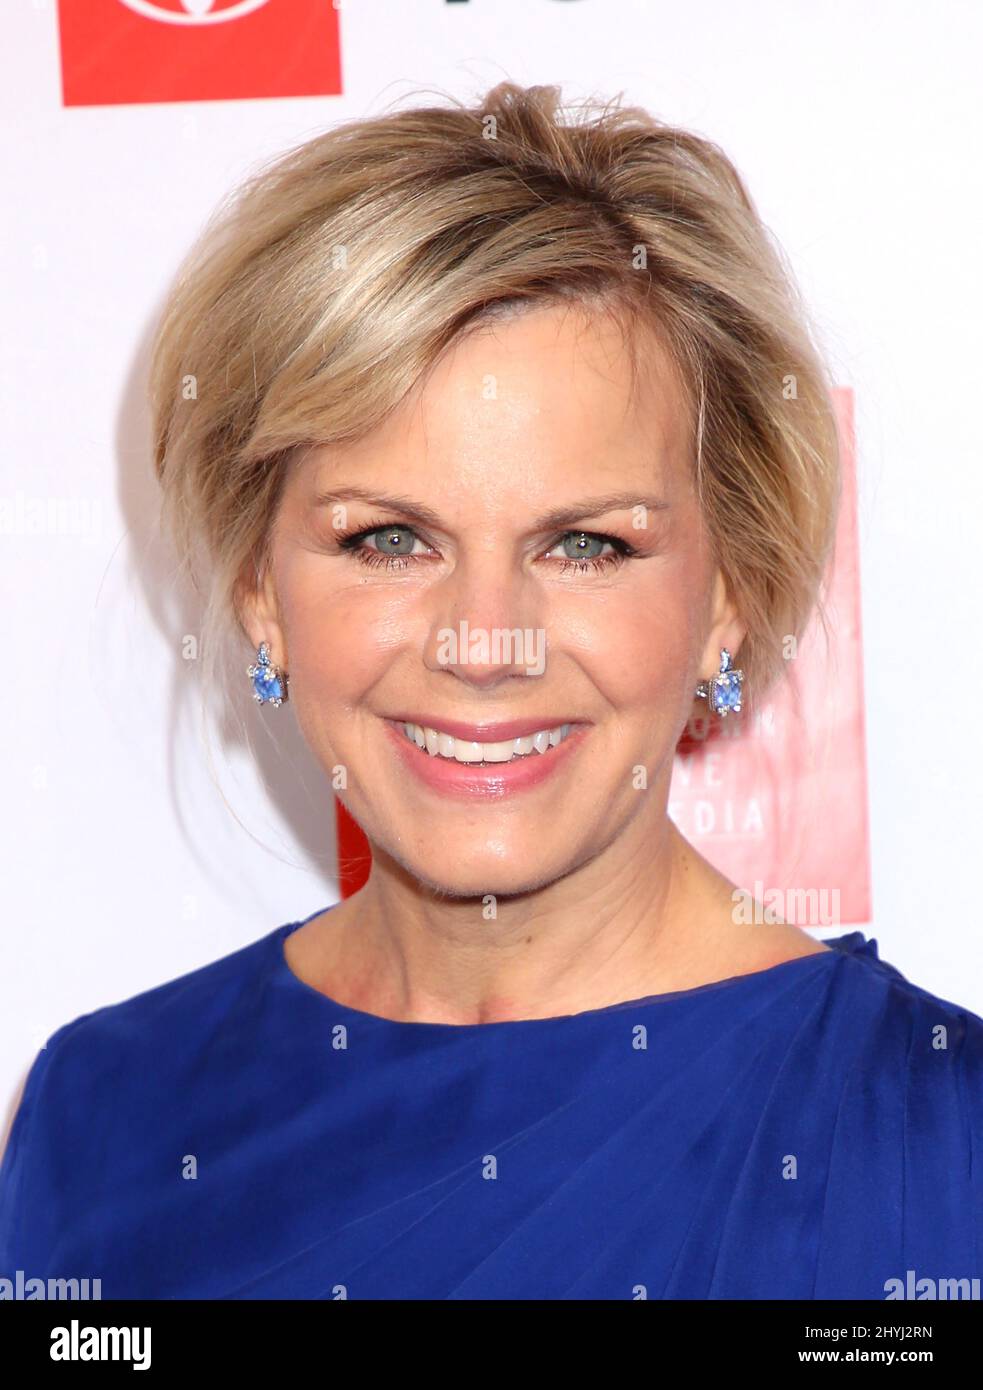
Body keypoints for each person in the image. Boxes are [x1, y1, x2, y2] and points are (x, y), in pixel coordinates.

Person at [2, 82, 980, 1301]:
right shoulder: (100, 1120)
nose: (482, 642)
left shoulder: (937, 1145)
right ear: (260, 590)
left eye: (584, 544)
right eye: (386, 539)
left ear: (726, 595)